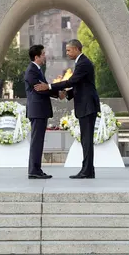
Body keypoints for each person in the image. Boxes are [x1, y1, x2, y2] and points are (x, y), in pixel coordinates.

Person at [34, 39, 100, 179]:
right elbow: (79, 85)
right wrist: (67, 94)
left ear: (76, 49)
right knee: (85, 139)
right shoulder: (81, 63)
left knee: (86, 140)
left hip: (87, 106)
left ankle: (87, 171)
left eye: (69, 50)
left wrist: (50, 87)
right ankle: (88, 170)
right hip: (85, 106)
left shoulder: (83, 63)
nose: (67, 53)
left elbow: (72, 81)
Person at [24, 45, 65, 179]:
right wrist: (57, 93)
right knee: (37, 141)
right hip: (37, 111)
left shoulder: (37, 70)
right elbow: (40, 89)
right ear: (36, 57)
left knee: (39, 140)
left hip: (40, 110)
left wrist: (56, 93)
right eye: (43, 54)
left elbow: (45, 87)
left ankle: (37, 169)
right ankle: (34, 170)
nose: (45, 56)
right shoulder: (32, 71)